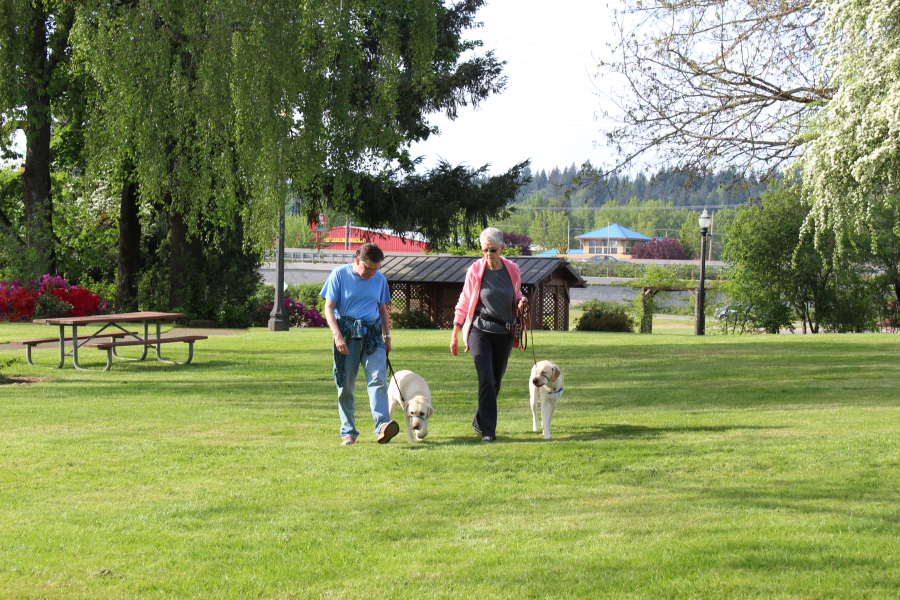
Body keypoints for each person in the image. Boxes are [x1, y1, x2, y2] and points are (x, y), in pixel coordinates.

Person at [449, 227, 528, 442]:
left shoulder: (512, 269)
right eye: (484, 250)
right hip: (479, 330)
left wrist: (521, 300)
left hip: (505, 332)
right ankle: (488, 432)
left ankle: (479, 419)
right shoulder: (475, 270)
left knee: (495, 382)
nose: (488, 254)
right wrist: (455, 333)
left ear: (502, 248)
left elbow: (516, 292)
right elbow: (464, 302)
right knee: (485, 378)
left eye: (492, 250)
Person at [320, 242, 399, 446]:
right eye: (369, 268)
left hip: (373, 334)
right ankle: (348, 432)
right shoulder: (339, 274)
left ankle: (383, 425)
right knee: (346, 385)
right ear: (358, 260)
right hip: (346, 333)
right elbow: (328, 309)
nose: (373, 273)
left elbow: (382, 309)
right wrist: (337, 336)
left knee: (378, 379)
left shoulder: (379, 278)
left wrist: (387, 336)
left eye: (377, 268)